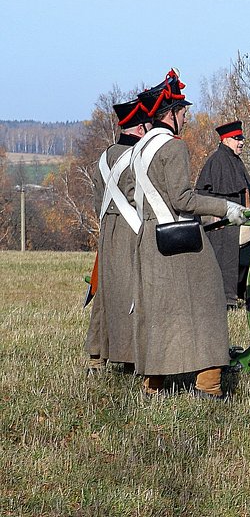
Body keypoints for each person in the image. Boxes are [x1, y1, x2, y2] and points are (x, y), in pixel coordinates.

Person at [130, 69, 248, 399]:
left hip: (149, 237)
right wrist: (225, 208)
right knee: (210, 301)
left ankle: (153, 385)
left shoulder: (141, 148)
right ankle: (208, 384)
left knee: (158, 311)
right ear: (171, 113)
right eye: (183, 112)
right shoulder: (173, 148)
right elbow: (183, 198)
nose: (186, 117)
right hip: (177, 239)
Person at [85, 99, 153, 374]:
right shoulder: (137, 157)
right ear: (140, 128)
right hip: (131, 230)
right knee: (130, 292)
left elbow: (95, 199)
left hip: (107, 231)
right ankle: (128, 357)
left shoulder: (104, 157)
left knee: (105, 292)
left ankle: (96, 354)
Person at [195, 120, 250, 310]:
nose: (241, 142)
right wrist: (216, 214)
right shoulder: (217, 161)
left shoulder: (235, 160)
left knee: (247, 260)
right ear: (226, 140)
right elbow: (203, 194)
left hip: (241, 221)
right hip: (224, 224)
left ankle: (246, 297)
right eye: (237, 138)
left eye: (242, 138)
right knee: (226, 260)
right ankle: (227, 301)